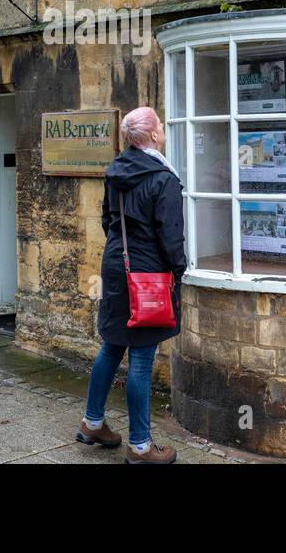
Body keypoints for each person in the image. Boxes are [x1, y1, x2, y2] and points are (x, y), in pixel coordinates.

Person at [76, 106, 187, 464]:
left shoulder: (115, 170)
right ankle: (140, 447)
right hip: (148, 274)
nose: (164, 133)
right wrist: (178, 270)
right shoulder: (163, 178)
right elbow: (170, 237)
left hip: (116, 265)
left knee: (111, 345)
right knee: (140, 357)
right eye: (162, 128)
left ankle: (92, 422)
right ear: (153, 135)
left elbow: (108, 218)